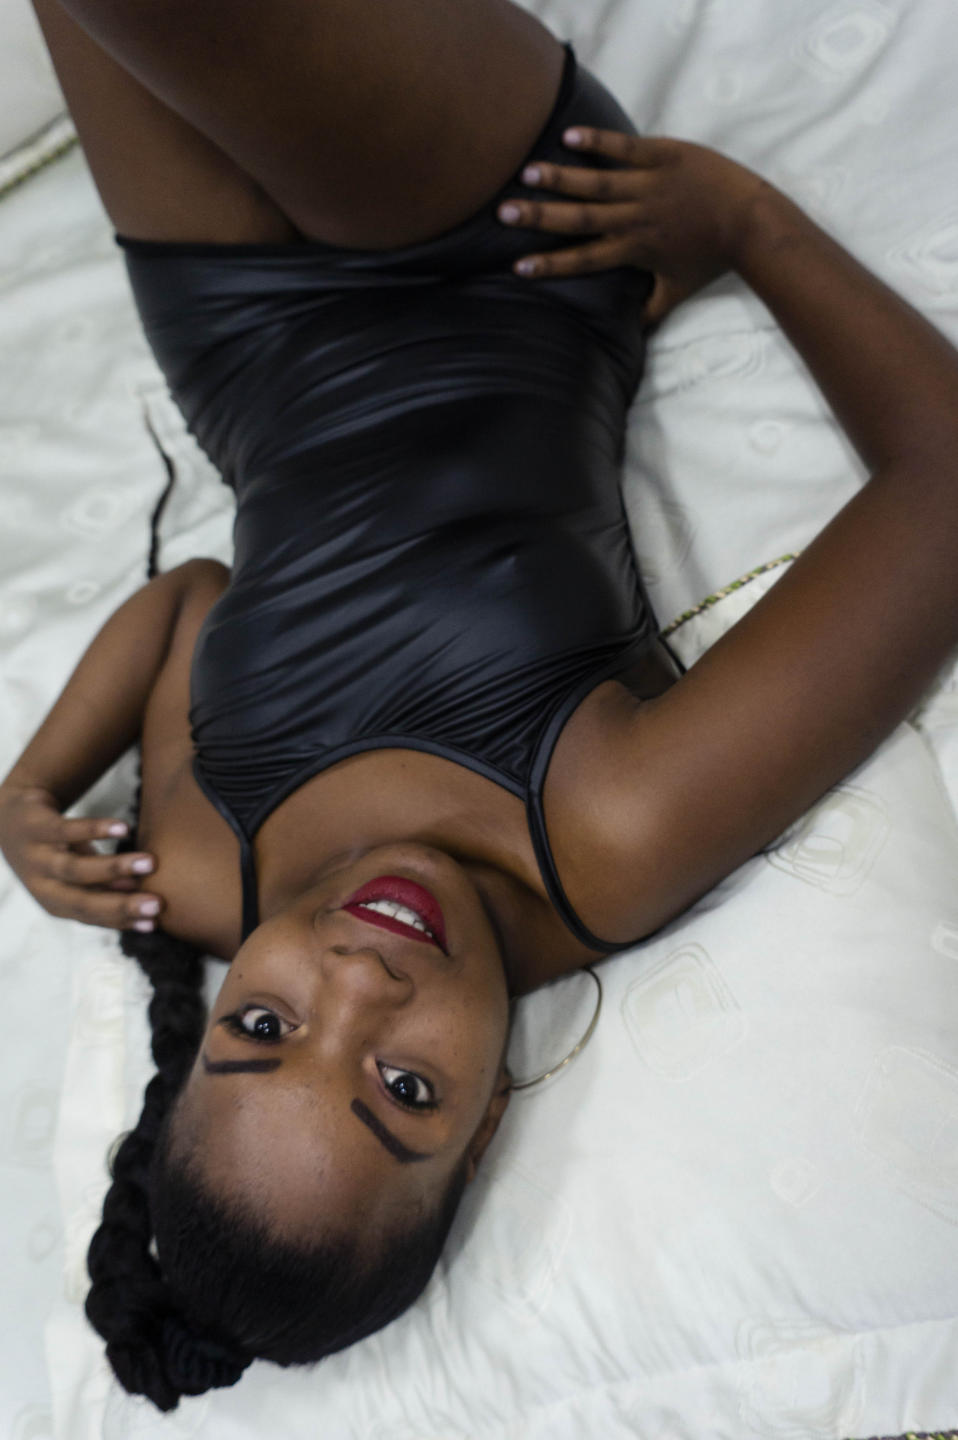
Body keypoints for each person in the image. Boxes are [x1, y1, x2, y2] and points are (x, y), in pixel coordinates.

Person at [2, 0, 958, 1415]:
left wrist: (31, 785)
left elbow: (196, 597)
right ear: (491, 1118)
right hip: (491, 251)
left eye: (261, 1032)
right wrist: (752, 225)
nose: (355, 984)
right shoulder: (608, 834)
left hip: (237, 350)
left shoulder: (209, 873)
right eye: (403, 1092)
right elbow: (942, 488)